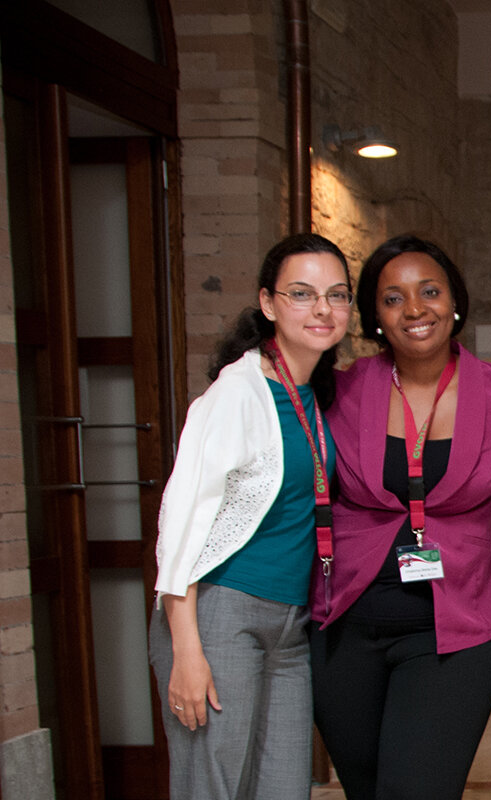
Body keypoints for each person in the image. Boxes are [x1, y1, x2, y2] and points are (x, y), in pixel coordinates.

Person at [309, 235, 491, 799]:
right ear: (373, 316)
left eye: (429, 291)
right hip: (344, 634)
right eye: (393, 298)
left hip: (450, 638)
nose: (415, 309)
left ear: (454, 301)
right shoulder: (339, 390)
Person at [150, 233, 351, 800]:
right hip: (219, 615)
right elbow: (181, 521)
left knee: (285, 787)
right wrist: (187, 650)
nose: (322, 309)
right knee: (212, 788)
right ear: (268, 303)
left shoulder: (314, 392)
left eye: (337, 295)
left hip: (289, 626)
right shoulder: (236, 393)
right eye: (301, 294)